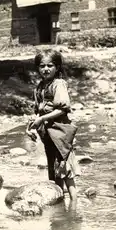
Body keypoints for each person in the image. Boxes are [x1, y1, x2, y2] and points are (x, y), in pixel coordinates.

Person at [26, 49, 80, 206]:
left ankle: (74, 207)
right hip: (47, 133)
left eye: (50, 65)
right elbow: (38, 112)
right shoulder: (40, 87)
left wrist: (42, 118)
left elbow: (63, 109)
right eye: (42, 66)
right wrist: (30, 127)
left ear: (57, 67)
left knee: (66, 169)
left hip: (61, 132)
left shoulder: (58, 84)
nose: (46, 69)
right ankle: (60, 204)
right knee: (53, 168)